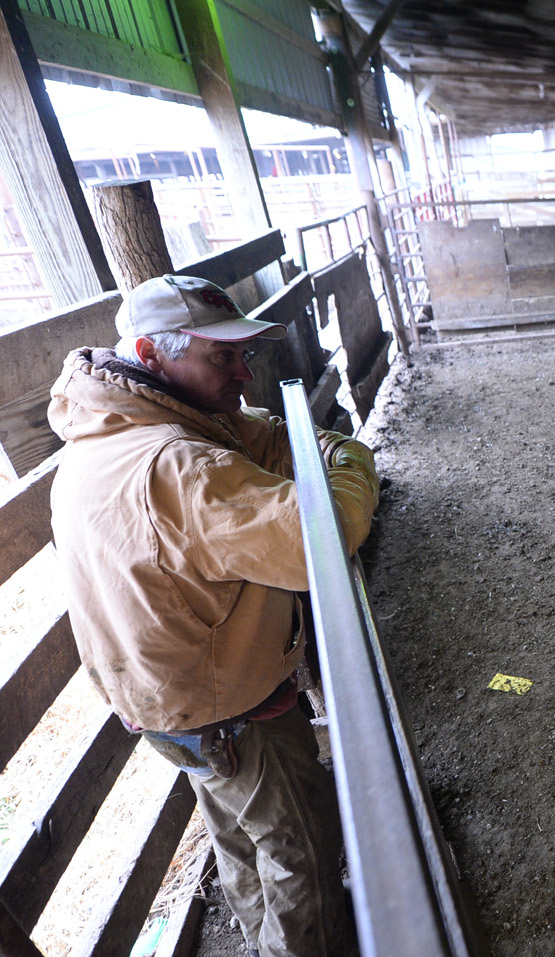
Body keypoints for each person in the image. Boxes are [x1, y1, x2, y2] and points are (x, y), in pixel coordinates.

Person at [47, 274, 379, 957]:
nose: (243, 372)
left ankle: (262, 937)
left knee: (235, 827)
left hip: (161, 700)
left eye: (242, 354)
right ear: (152, 353)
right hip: (230, 702)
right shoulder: (184, 469)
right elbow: (330, 526)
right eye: (220, 357)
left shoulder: (103, 430)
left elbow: (254, 433)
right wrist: (348, 456)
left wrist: (268, 437)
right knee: (301, 845)